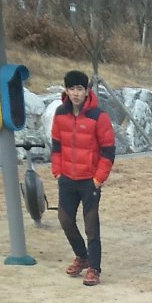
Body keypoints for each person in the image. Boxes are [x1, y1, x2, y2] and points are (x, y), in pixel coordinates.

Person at [51, 70, 116, 287]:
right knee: (65, 220)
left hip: (90, 181)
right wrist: (58, 172)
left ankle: (94, 268)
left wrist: (98, 179)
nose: (75, 93)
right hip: (67, 179)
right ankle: (82, 256)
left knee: (91, 226)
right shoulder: (60, 114)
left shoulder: (99, 116)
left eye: (79, 89)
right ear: (66, 91)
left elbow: (108, 151)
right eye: (71, 89)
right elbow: (56, 146)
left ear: (87, 91)